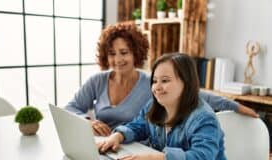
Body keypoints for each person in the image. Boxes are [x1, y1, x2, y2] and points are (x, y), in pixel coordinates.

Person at [65, 22, 258, 136]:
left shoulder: (152, 83)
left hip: (137, 148)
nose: (117, 59)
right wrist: (87, 122)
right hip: (104, 146)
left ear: (136, 54)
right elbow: (70, 109)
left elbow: (193, 93)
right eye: (112, 53)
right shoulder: (97, 81)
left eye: (124, 52)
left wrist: (237, 106)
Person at [98, 53, 240, 160]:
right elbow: (139, 125)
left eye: (165, 81)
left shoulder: (204, 118)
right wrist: (118, 136)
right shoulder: (155, 105)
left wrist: (156, 159)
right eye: (154, 81)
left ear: (186, 83)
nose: (157, 87)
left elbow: (203, 159)